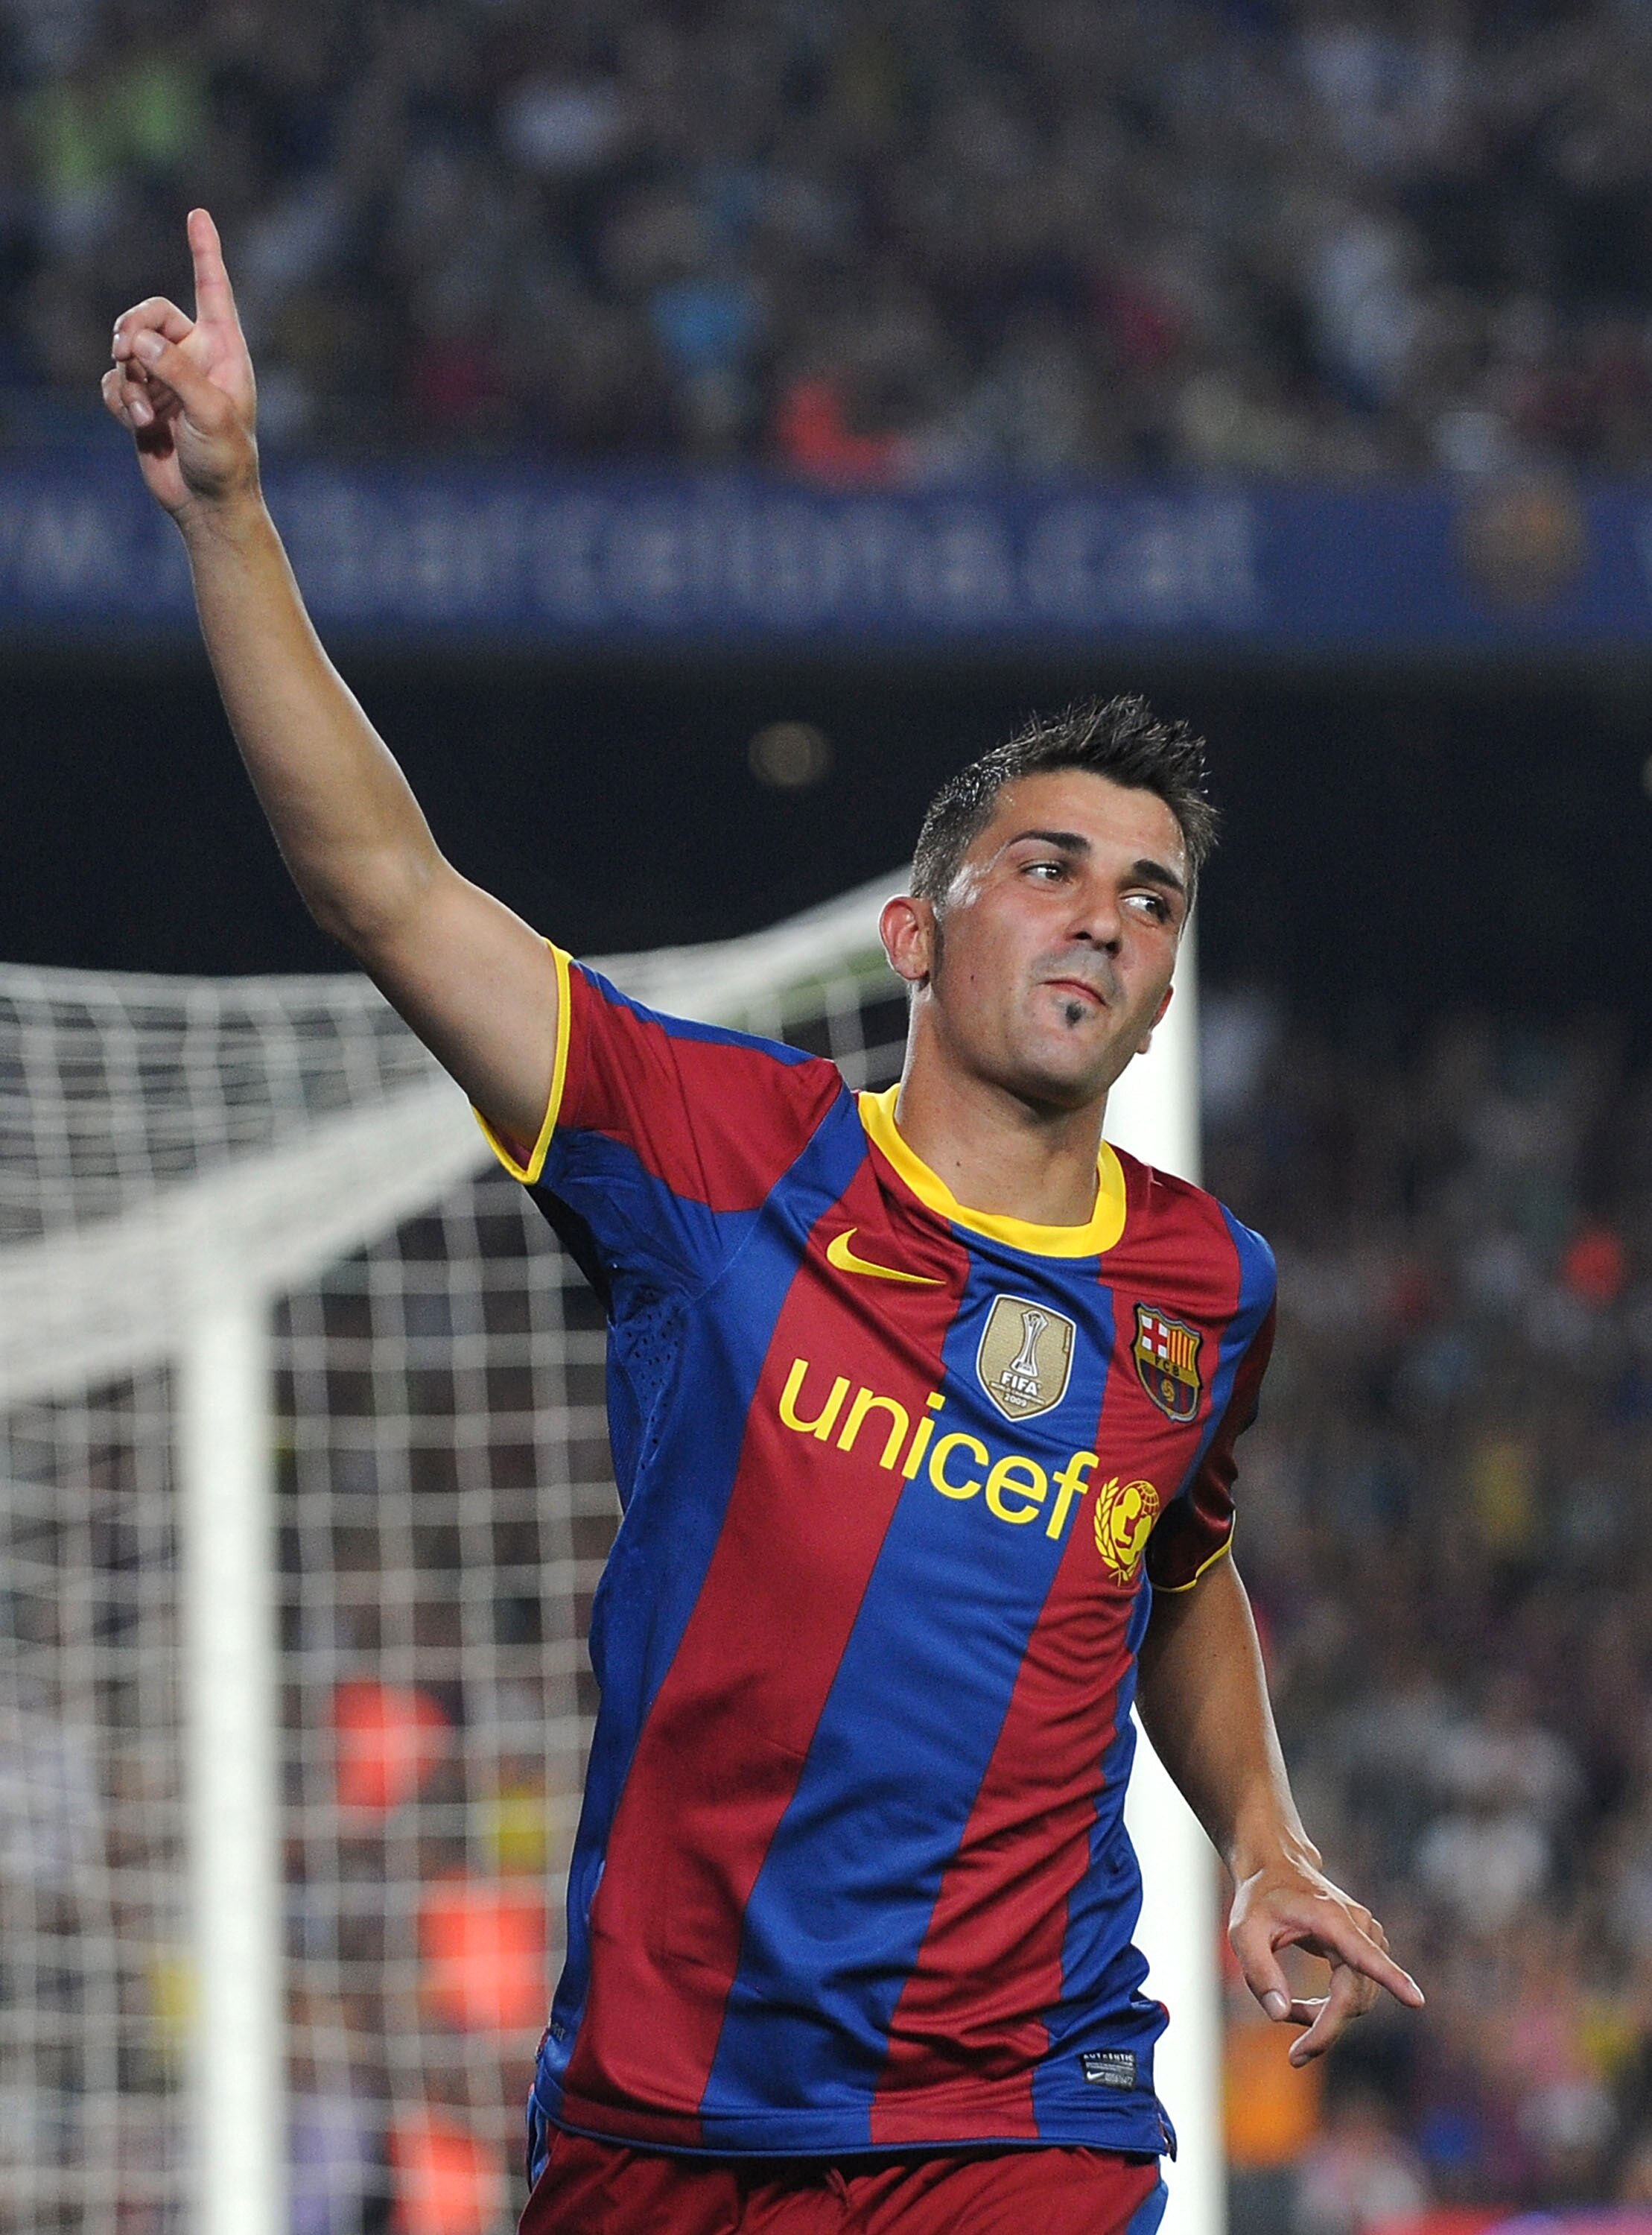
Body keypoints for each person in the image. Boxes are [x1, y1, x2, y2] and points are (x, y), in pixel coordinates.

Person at [105, 211, 1423, 2235]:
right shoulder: (715, 1147)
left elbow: (1174, 1563)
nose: (1103, 913)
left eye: (1148, 897)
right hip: (669, 2115)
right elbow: (384, 886)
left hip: (1021, 2120)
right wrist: (227, 513)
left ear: (1163, 989)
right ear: (915, 932)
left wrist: (1257, 1834)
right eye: (1048, 867)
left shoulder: (1201, 1287)